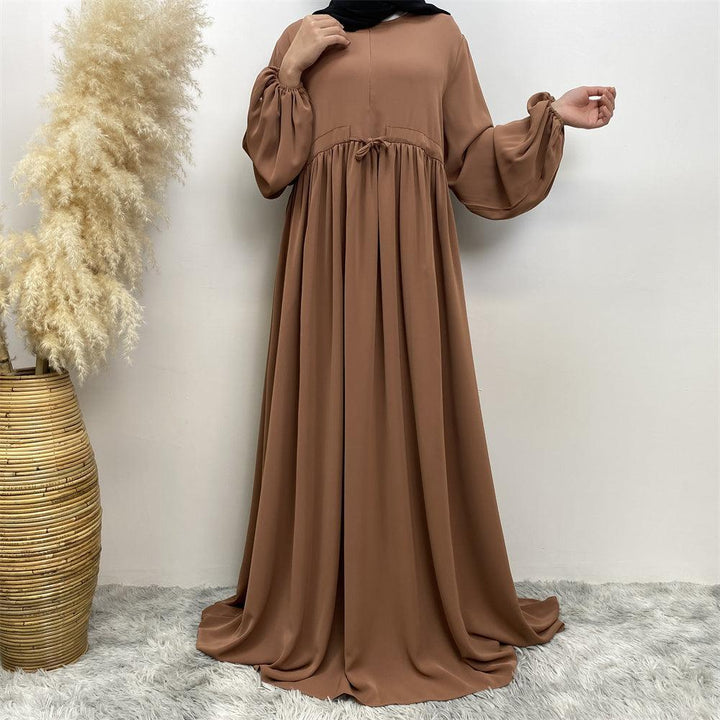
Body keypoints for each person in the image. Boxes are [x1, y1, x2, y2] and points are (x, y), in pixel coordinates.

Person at [197, 0, 616, 707]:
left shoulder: (441, 33)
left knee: (414, 407)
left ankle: (411, 600)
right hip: (326, 256)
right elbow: (272, 165)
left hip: (411, 253)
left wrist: (552, 119)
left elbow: (471, 156)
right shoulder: (306, 33)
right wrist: (290, 69)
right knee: (326, 408)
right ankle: (319, 601)